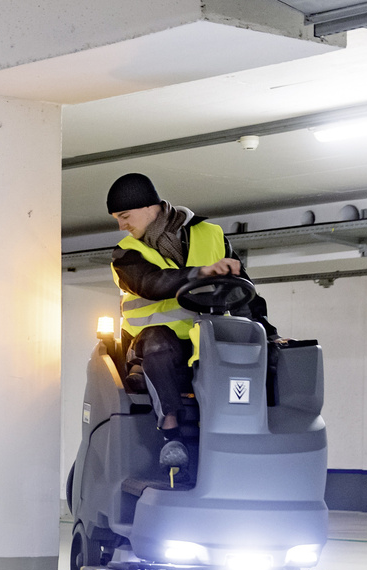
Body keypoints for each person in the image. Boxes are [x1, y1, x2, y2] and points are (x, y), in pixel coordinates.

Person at [105, 172, 275, 474]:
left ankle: (247, 438)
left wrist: (268, 334)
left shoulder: (212, 235)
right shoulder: (126, 254)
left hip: (206, 341)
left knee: (255, 350)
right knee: (159, 340)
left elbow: (243, 291)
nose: (121, 225)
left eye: (124, 216)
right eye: (118, 219)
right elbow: (152, 283)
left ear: (148, 207)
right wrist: (201, 273)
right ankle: (171, 435)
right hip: (148, 350)